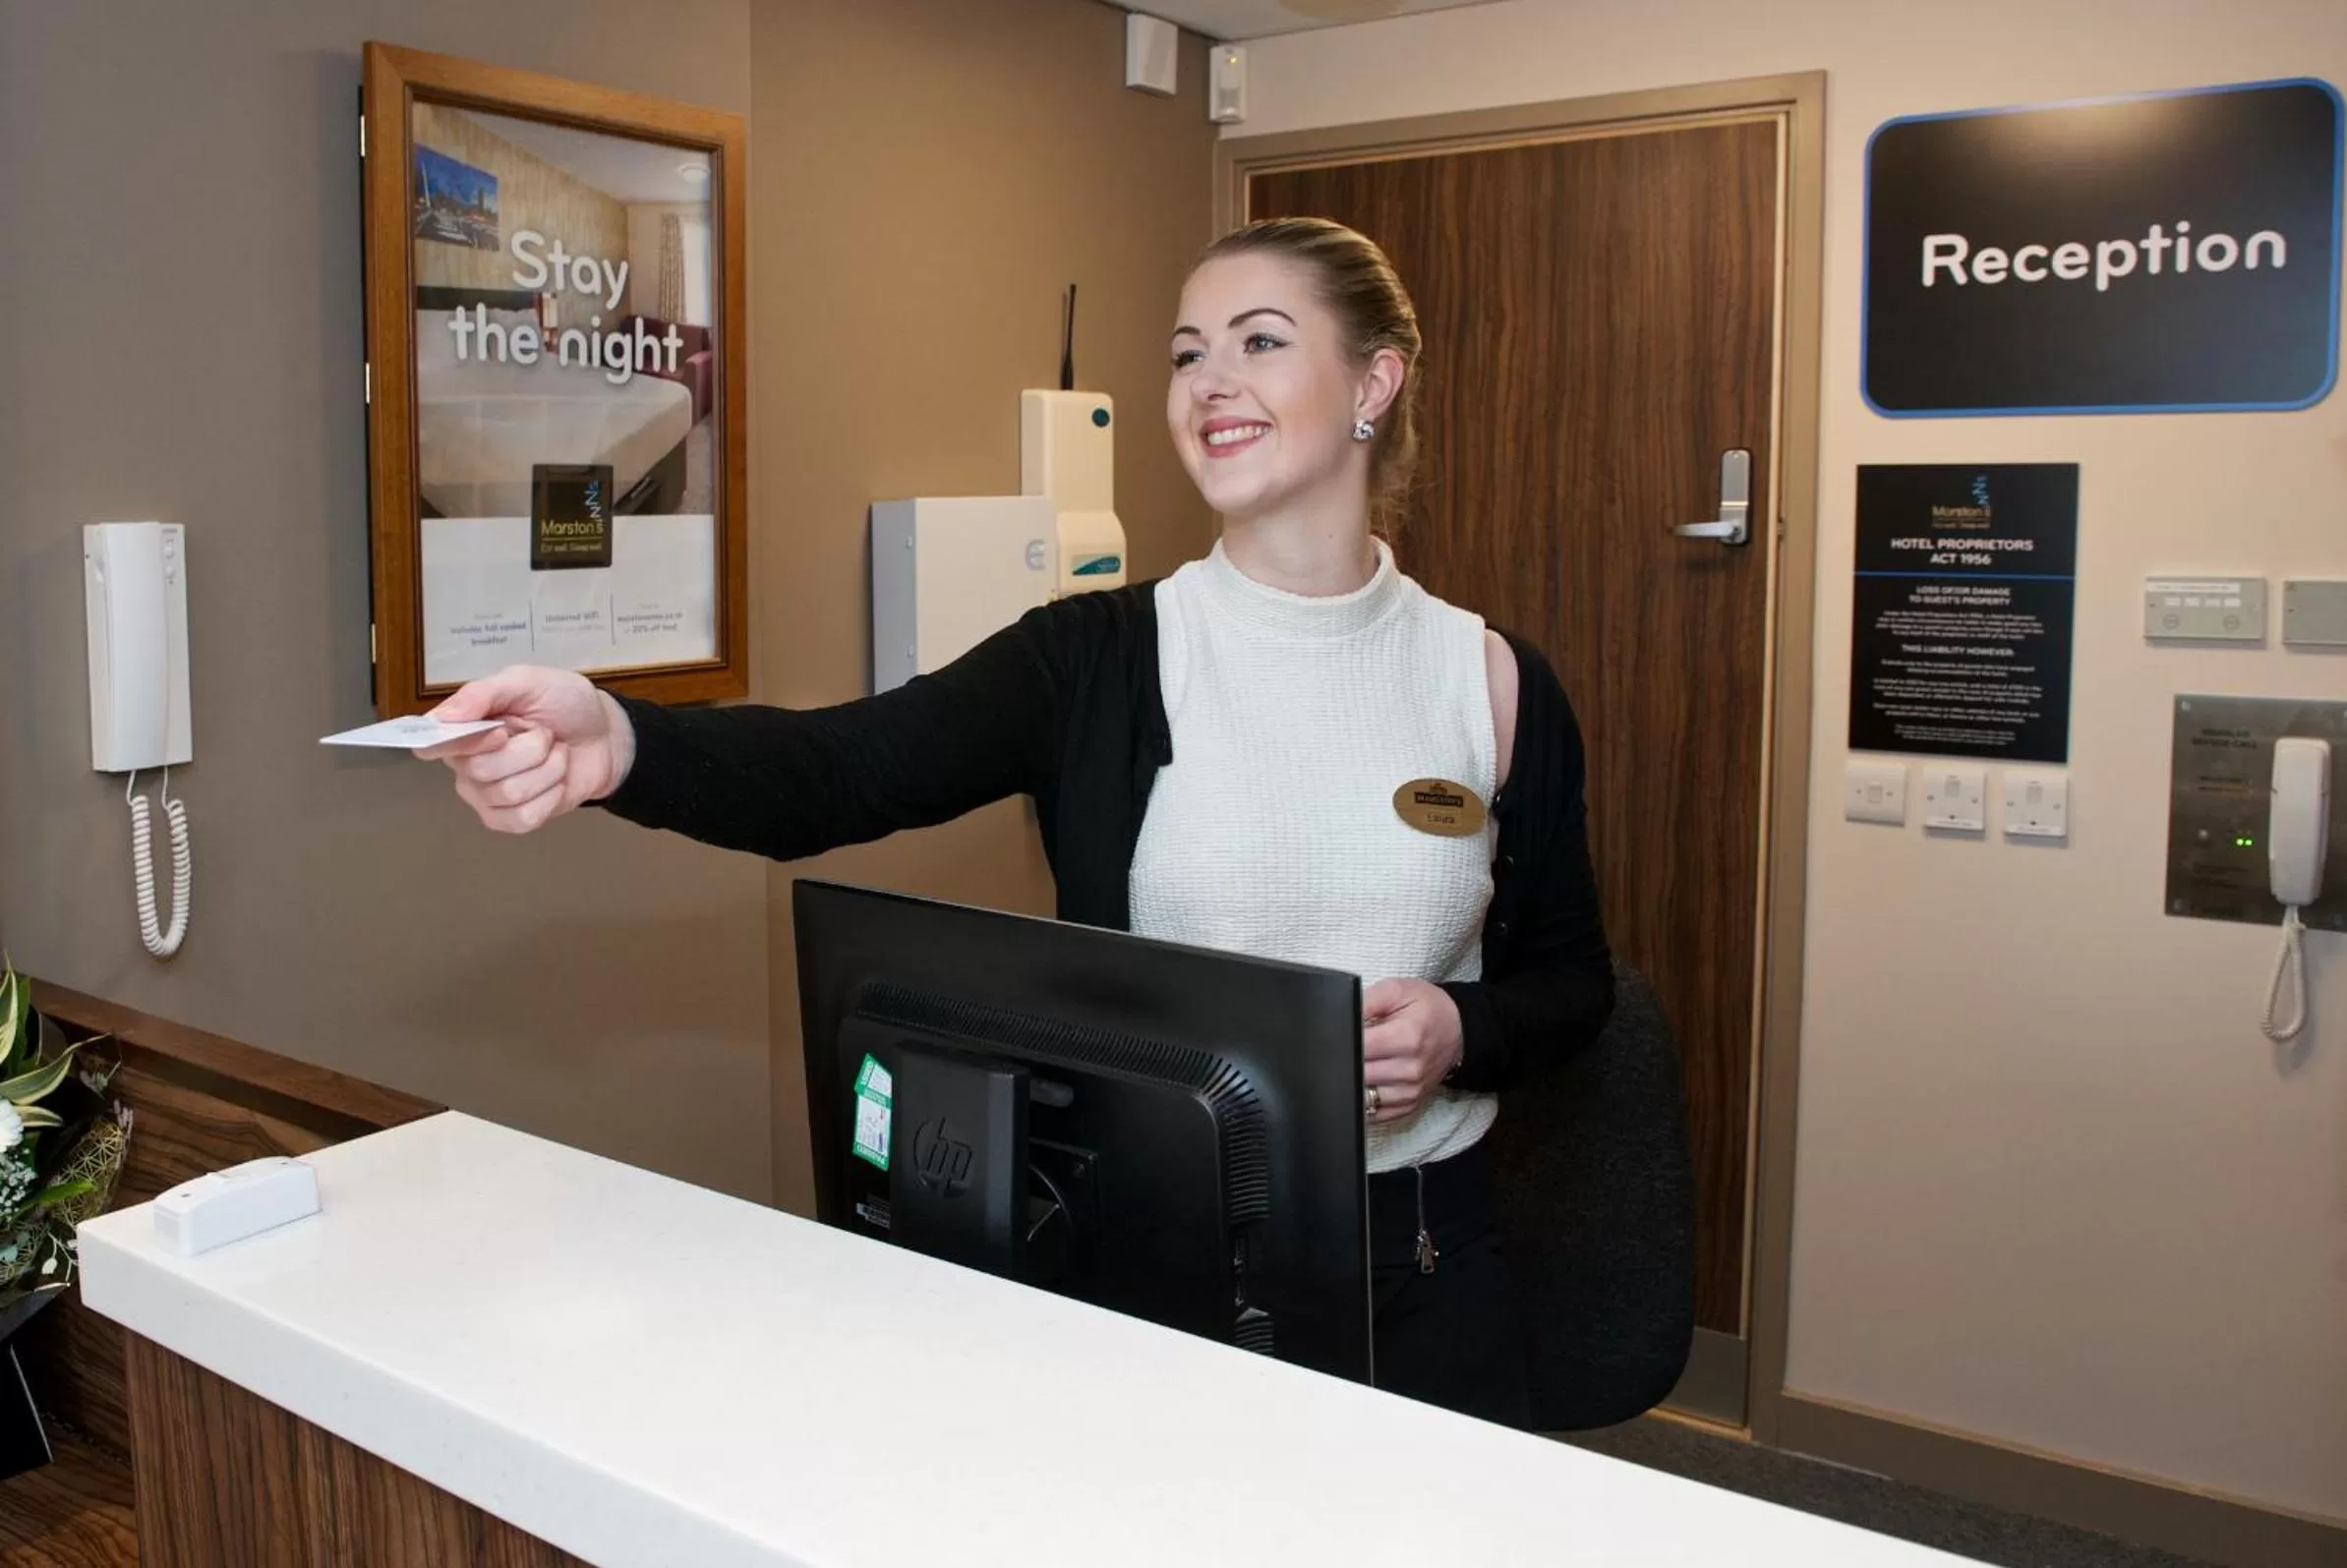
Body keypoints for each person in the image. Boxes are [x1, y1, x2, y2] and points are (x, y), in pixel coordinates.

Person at [422, 216, 1614, 1428]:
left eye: (1258, 341)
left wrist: (1457, 1026)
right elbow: (837, 771)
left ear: (1372, 381)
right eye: (1186, 352)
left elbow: (1573, 980)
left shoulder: (1490, 681)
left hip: (1420, 1268)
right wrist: (620, 741)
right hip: (1163, 1270)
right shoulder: (1093, 657)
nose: (1209, 384)